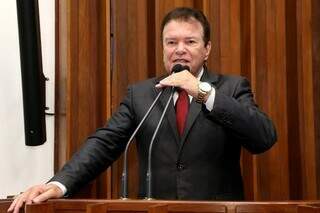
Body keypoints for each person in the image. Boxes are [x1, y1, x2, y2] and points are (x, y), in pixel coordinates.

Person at [8, 7, 277, 213]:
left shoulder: (231, 88)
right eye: (171, 42)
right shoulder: (141, 94)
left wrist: (203, 92)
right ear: (163, 48)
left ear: (207, 49)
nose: (179, 50)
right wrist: (57, 184)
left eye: (190, 42)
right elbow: (104, 143)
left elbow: (263, 137)